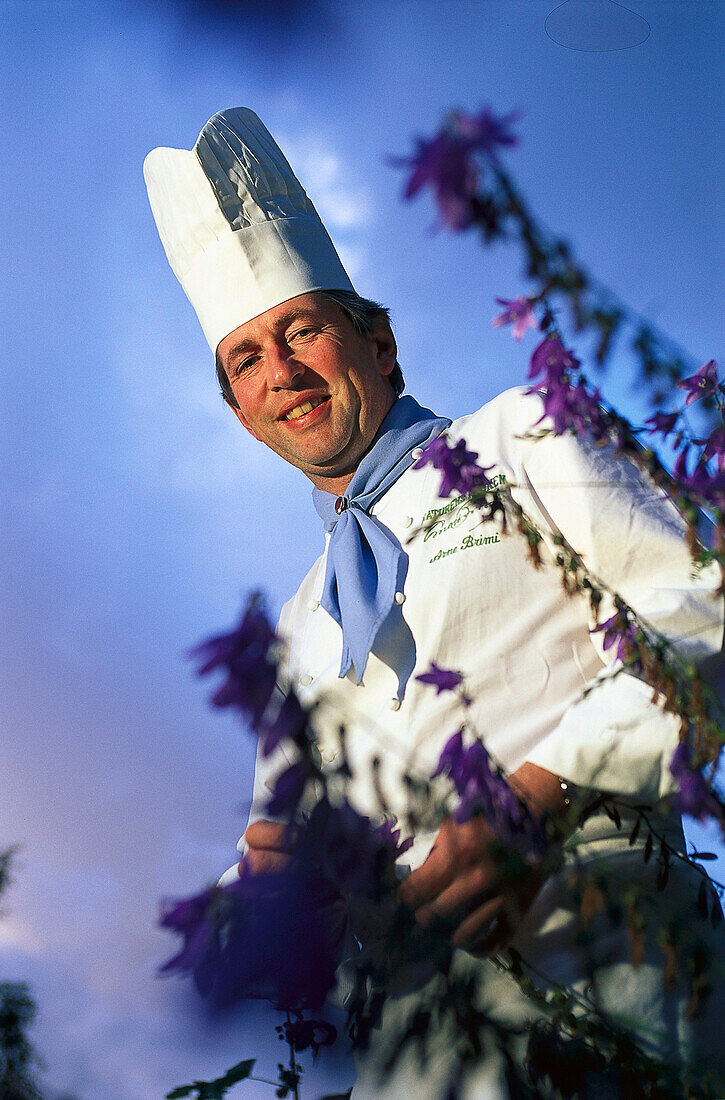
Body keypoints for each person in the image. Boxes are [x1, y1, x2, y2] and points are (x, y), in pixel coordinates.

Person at [145, 108, 725, 1097]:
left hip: (619, 986)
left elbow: (703, 613)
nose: (280, 371)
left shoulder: (522, 437)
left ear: (379, 343)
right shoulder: (293, 626)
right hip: (426, 1056)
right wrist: (282, 895)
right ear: (240, 412)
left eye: (301, 331)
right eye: (245, 359)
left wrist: (535, 801)